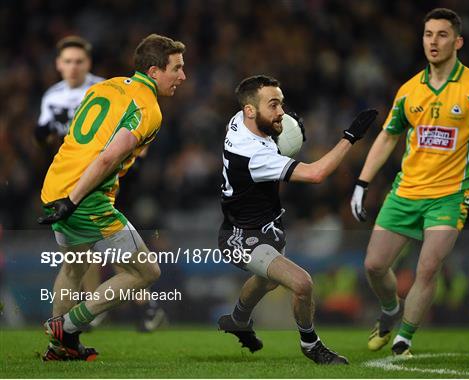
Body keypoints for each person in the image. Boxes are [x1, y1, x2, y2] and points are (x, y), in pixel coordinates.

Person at [349, 8, 469, 357]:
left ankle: (403, 339)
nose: (433, 42)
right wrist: (362, 182)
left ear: (458, 41)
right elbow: (388, 136)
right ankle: (391, 309)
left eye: (441, 34)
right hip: (405, 192)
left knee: (428, 265)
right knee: (374, 266)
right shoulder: (409, 90)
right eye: (428, 34)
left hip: (450, 195)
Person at [37, 34, 187, 361]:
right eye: (176, 68)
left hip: (55, 183)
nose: (182, 76)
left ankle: (59, 349)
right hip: (84, 197)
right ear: (154, 70)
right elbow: (106, 157)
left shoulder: (106, 86)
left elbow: (83, 134)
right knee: (146, 272)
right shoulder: (149, 108)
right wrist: (74, 200)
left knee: (74, 267)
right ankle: (67, 327)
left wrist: (65, 196)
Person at [217, 75, 377, 365]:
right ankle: (310, 343)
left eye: (282, 103)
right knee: (302, 284)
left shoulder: (240, 119)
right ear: (250, 111)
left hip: (266, 226)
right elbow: (316, 174)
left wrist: (280, 128)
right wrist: (349, 138)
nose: (281, 112)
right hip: (240, 237)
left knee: (266, 282)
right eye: (274, 105)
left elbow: (267, 133)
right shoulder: (253, 155)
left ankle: (238, 320)